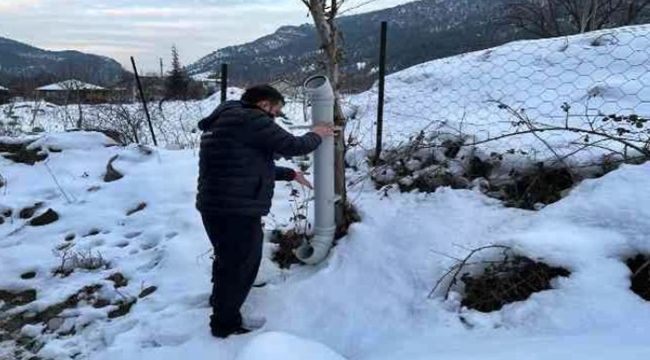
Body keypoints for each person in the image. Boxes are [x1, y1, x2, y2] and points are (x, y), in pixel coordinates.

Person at [196, 84, 334, 338]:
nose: (275, 117)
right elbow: (293, 145)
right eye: (276, 110)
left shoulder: (226, 119)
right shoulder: (252, 119)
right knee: (242, 264)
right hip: (237, 209)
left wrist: (290, 173)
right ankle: (225, 324)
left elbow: (243, 165)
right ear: (264, 104)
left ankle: (220, 303)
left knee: (227, 258)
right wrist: (317, 133)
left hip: (213, 205)